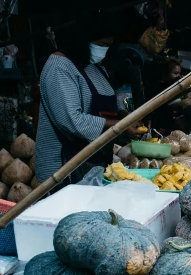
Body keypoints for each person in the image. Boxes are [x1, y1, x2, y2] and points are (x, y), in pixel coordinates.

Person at [35, 15, 143, 186]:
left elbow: (109, 107)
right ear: (83, 40)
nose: (103, 51)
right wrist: (119, 125)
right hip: (64, 166)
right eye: (100, 45)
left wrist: (125, 115)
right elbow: (72, 120)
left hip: (93, 162)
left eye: (108, 46)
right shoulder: (59, 67)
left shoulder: (95, 67)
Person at [145, 57, 184, 133]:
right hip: (161, 127)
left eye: (179, 73)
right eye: (175, 73)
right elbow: (182, 105)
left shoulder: (172, 86)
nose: (179, 76)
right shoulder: (159, 88)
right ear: (165, 73)